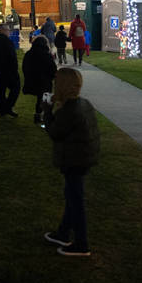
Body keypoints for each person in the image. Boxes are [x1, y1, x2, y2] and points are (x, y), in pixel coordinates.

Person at [42, 67, 101, 257]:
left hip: (74, 159)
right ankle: (63, 232)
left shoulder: (70, 110)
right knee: (71, 195)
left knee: (75, 200)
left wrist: (47, 112)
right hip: (83, 156)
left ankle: (82, 243)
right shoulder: (84, 103)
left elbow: (54, 132)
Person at [0, 23, 21, 117]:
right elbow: (12, 57)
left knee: (1, 91)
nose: (9, 32)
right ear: (3, 30)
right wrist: (14, 69)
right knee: (15, 88)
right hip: (9, 70)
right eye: (8, 30)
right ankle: (7, 107)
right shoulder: (7, 42)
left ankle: (3, 109)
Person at [22, 35, 58, 124]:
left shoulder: (29, 54)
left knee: (39, 97)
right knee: (46, 99)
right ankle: (46, 115)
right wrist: (53, 76)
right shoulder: (46, 54)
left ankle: (38, 115)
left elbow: (25, 67)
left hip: (33, 80)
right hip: (44, 81)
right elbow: (52, 68)